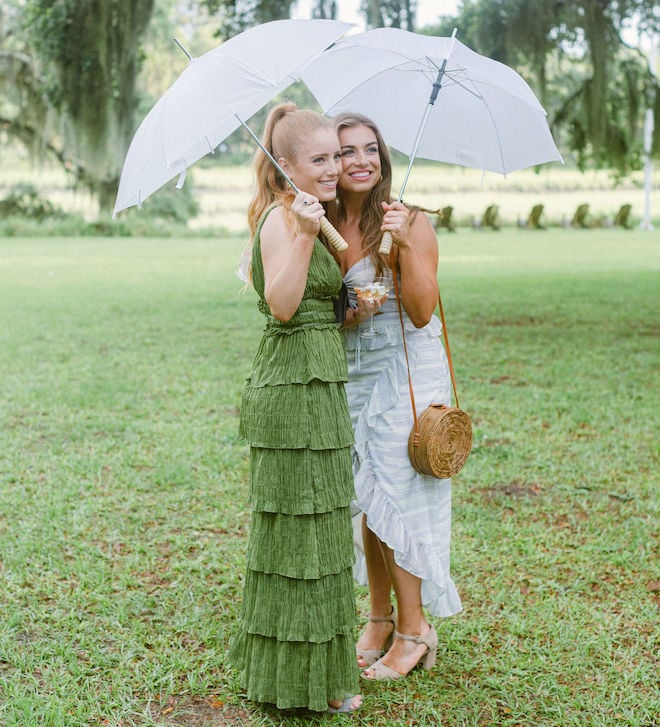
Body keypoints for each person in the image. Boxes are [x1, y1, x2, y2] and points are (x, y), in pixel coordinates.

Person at [229, 103, 361, 714]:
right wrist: (307, 236)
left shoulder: (313, 214)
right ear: (286, 166)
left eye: (336, 155)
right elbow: (281, 305)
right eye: (321, 159)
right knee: (295, 540)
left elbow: (316, 305)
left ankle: (318, 680)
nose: (335, 167)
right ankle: (293, 688)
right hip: (290, 392)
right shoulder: (283, 220)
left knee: (323, 532)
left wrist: (356, 303)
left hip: (322, 381)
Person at [328, 112, 462, 681]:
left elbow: (424, 310)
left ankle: (415, 629)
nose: (360, 160)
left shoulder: (407, 221)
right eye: (344, 152)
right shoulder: (327, 223)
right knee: (369, 493)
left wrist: (405, 247)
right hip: (356, 371)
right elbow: (327, 312)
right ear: (328, 163)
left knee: (396, 493)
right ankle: (379, 618)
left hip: (408, 373)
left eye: (370, 150)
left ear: (383, 157)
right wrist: (353, 309)